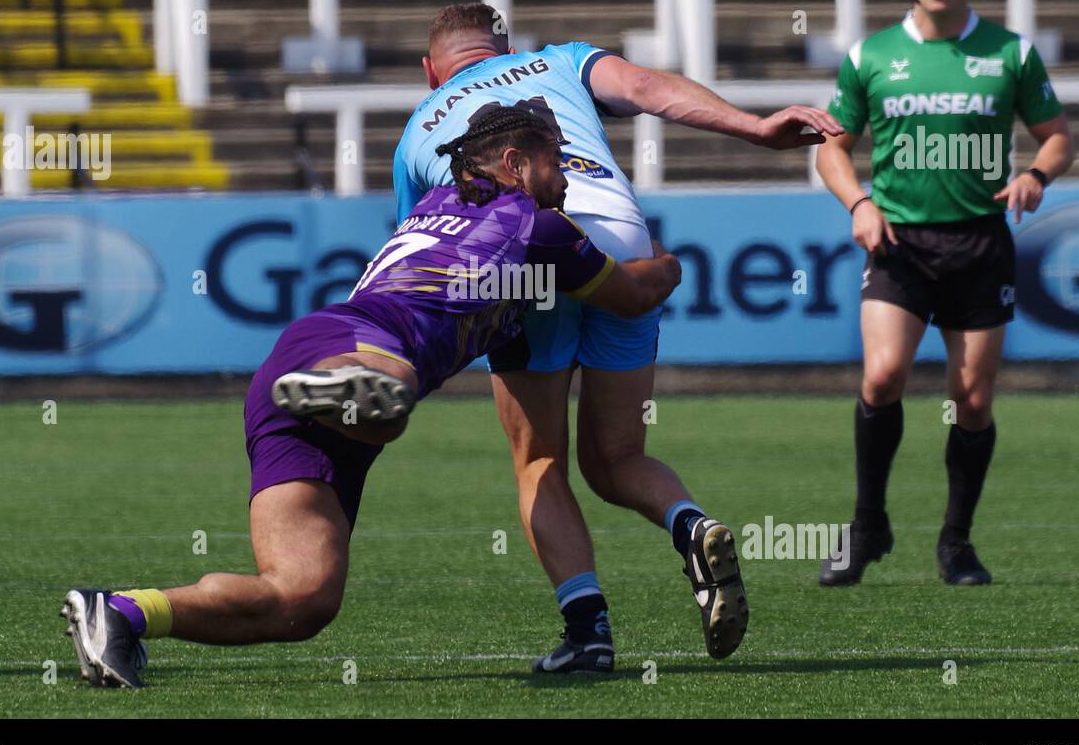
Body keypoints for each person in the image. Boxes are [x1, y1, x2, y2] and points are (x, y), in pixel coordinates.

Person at [60, 106, 683, 687]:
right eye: (556, 160)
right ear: (515, 163)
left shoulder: (440, 201)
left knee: (303, 600)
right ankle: (355, 393)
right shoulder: (540, 227)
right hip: (359, 342)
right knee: (395, 391)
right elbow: (634, 293)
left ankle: (120, 613)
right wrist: (665, 261)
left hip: (293, 369)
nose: (567, 177)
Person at [393, 2, 841, 671]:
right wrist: (756, 128)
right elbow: (647, 89)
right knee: (618, 457)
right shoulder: (560, 60)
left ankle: (589, 633)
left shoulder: (415, 134)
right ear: (508, 47)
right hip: (621, 236)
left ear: (431, 71)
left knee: (541, 459)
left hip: (524, 256)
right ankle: (692, 523)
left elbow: (424, 250)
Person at [815, 0, 1074, 586]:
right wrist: (859, 204)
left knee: (972, 399)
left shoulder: (1010, 54)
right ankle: (868, 525)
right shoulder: (870, 55)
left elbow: (1056, 136)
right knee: (882, 376)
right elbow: (832, 146)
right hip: (900, 240)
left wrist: (1035, 176)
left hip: (981, 241)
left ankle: (957, 542)